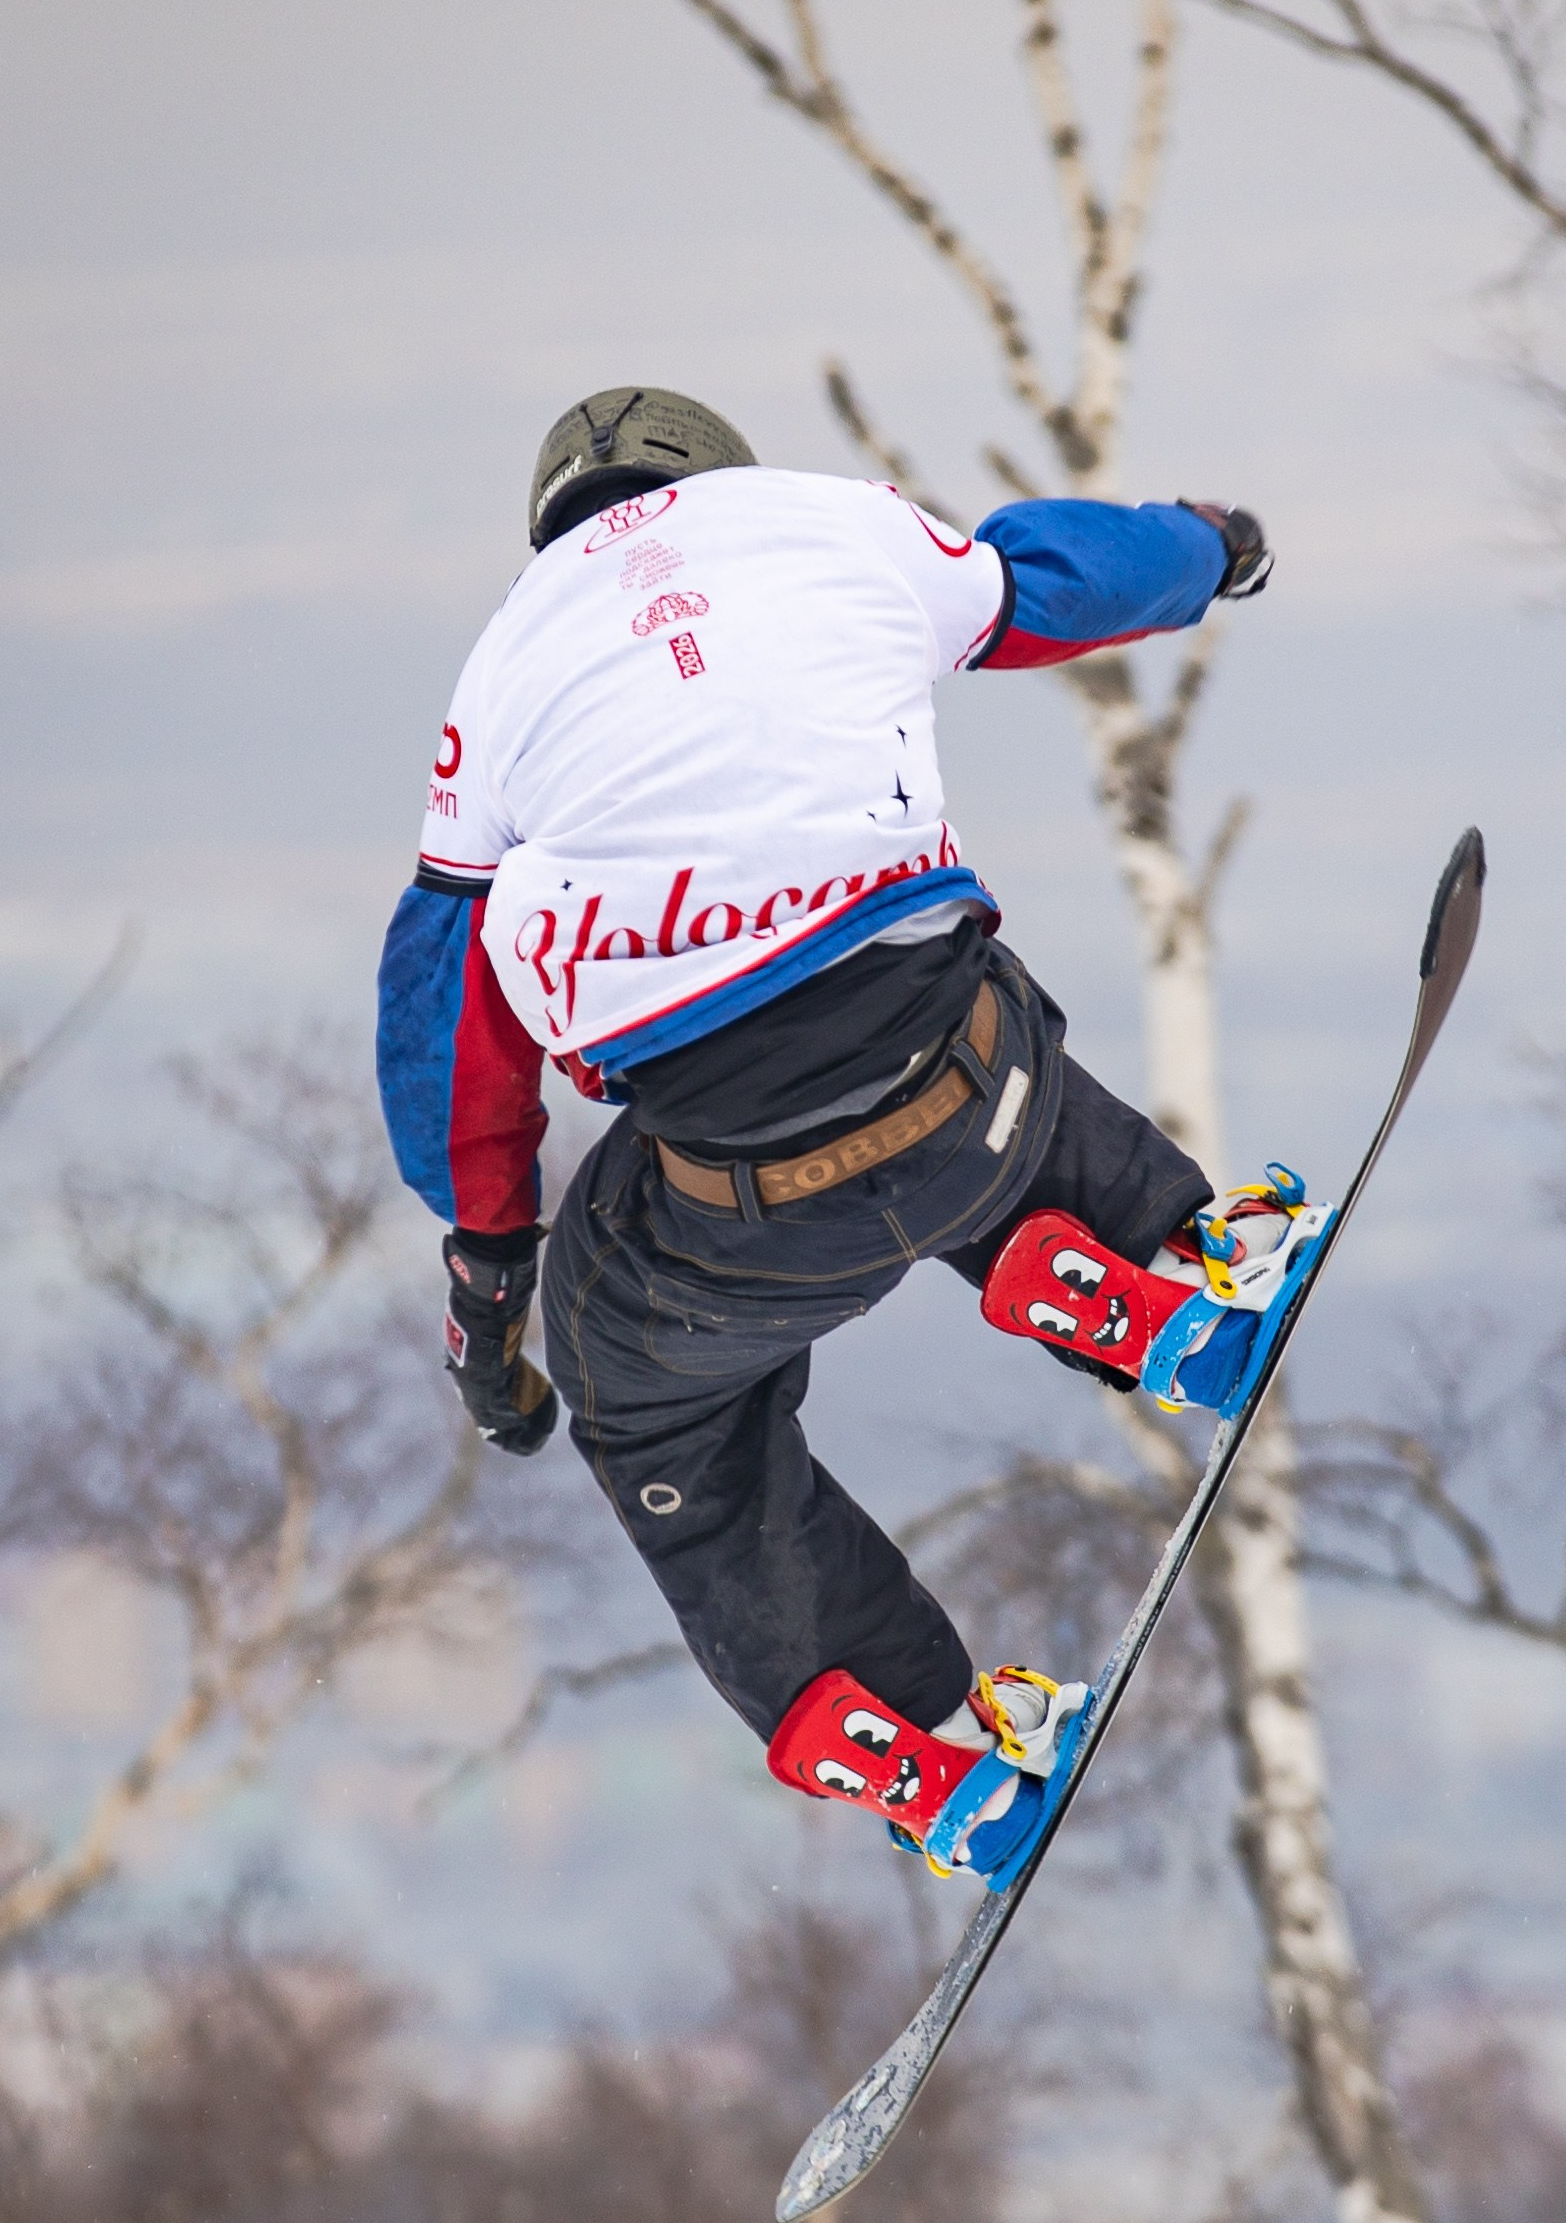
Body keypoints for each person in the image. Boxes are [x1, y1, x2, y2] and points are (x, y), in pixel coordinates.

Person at [376, 386, 1321, 1881]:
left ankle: (914, 1738)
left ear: (554, 514)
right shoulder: (823, 524)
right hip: (972, 1104)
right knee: (950, 1001)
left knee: (658, 1407)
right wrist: (1206, 549)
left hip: (728, 1213)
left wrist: (491, 1283)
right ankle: (1153, 1274)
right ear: (712, 467)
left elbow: (451, 1028)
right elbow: (1047, 581)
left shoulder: (504, 669)